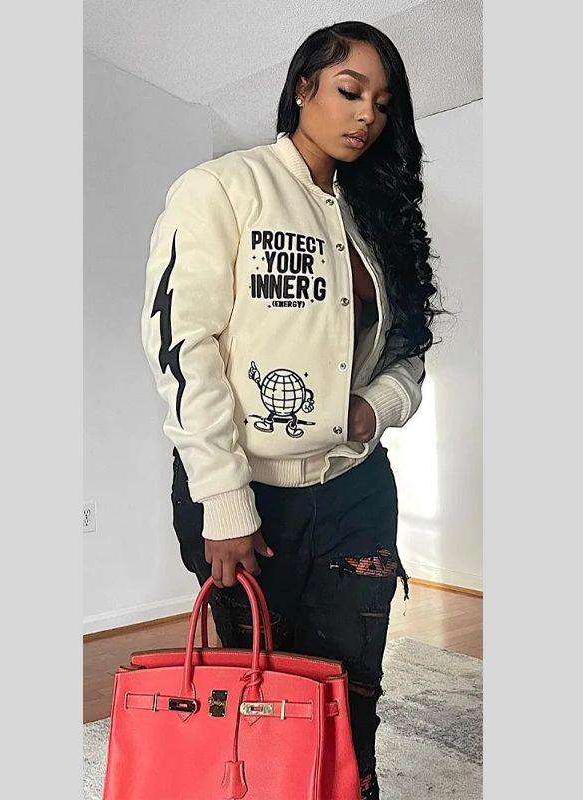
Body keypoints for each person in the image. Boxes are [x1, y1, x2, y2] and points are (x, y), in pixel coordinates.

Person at [141, 20, 442, 800]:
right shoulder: (223, 188)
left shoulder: (372, 216)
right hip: (250, 497)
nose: (366, 115)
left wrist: (376, 407)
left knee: (353, 685)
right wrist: (223, 498)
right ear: (303, 86)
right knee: (262, 690)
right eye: (350, 90)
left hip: (356, 491)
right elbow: (182, 346)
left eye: (382, 103)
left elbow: (407, 351)